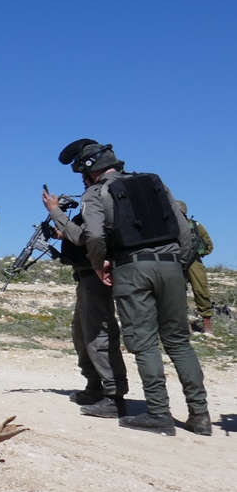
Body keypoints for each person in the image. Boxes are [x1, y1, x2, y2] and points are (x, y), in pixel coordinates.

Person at [60, 139, 211, 436]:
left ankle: (158, 414)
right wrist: (176, 265)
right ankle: (200, 415)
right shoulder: (154, 181)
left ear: (89, 170)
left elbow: (92, 236)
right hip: (171, 266)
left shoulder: (97, 192)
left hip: (131, 268)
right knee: (179, 343)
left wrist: (98, 264)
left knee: (143, 343)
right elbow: (184, 231)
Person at [42, 165, 128, 418]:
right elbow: (81, 237)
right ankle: (94, 386)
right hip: (85, 276)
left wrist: (54, 210)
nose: (82, 180)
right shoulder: (90, 205)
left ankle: (113, 396)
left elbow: (86, 238)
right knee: (81, 333)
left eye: (85, 174)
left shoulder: (100, 199)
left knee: (97, 334)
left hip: (96, 276)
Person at [175, 201, 215, 335]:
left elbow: (208, 245)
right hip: (175, 262)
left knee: (201, 289)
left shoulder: (196, 226)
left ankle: (206, 321)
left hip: (193, 262)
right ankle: (183, 323)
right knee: (177, 292)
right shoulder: (169, 226)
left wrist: (197, 254)